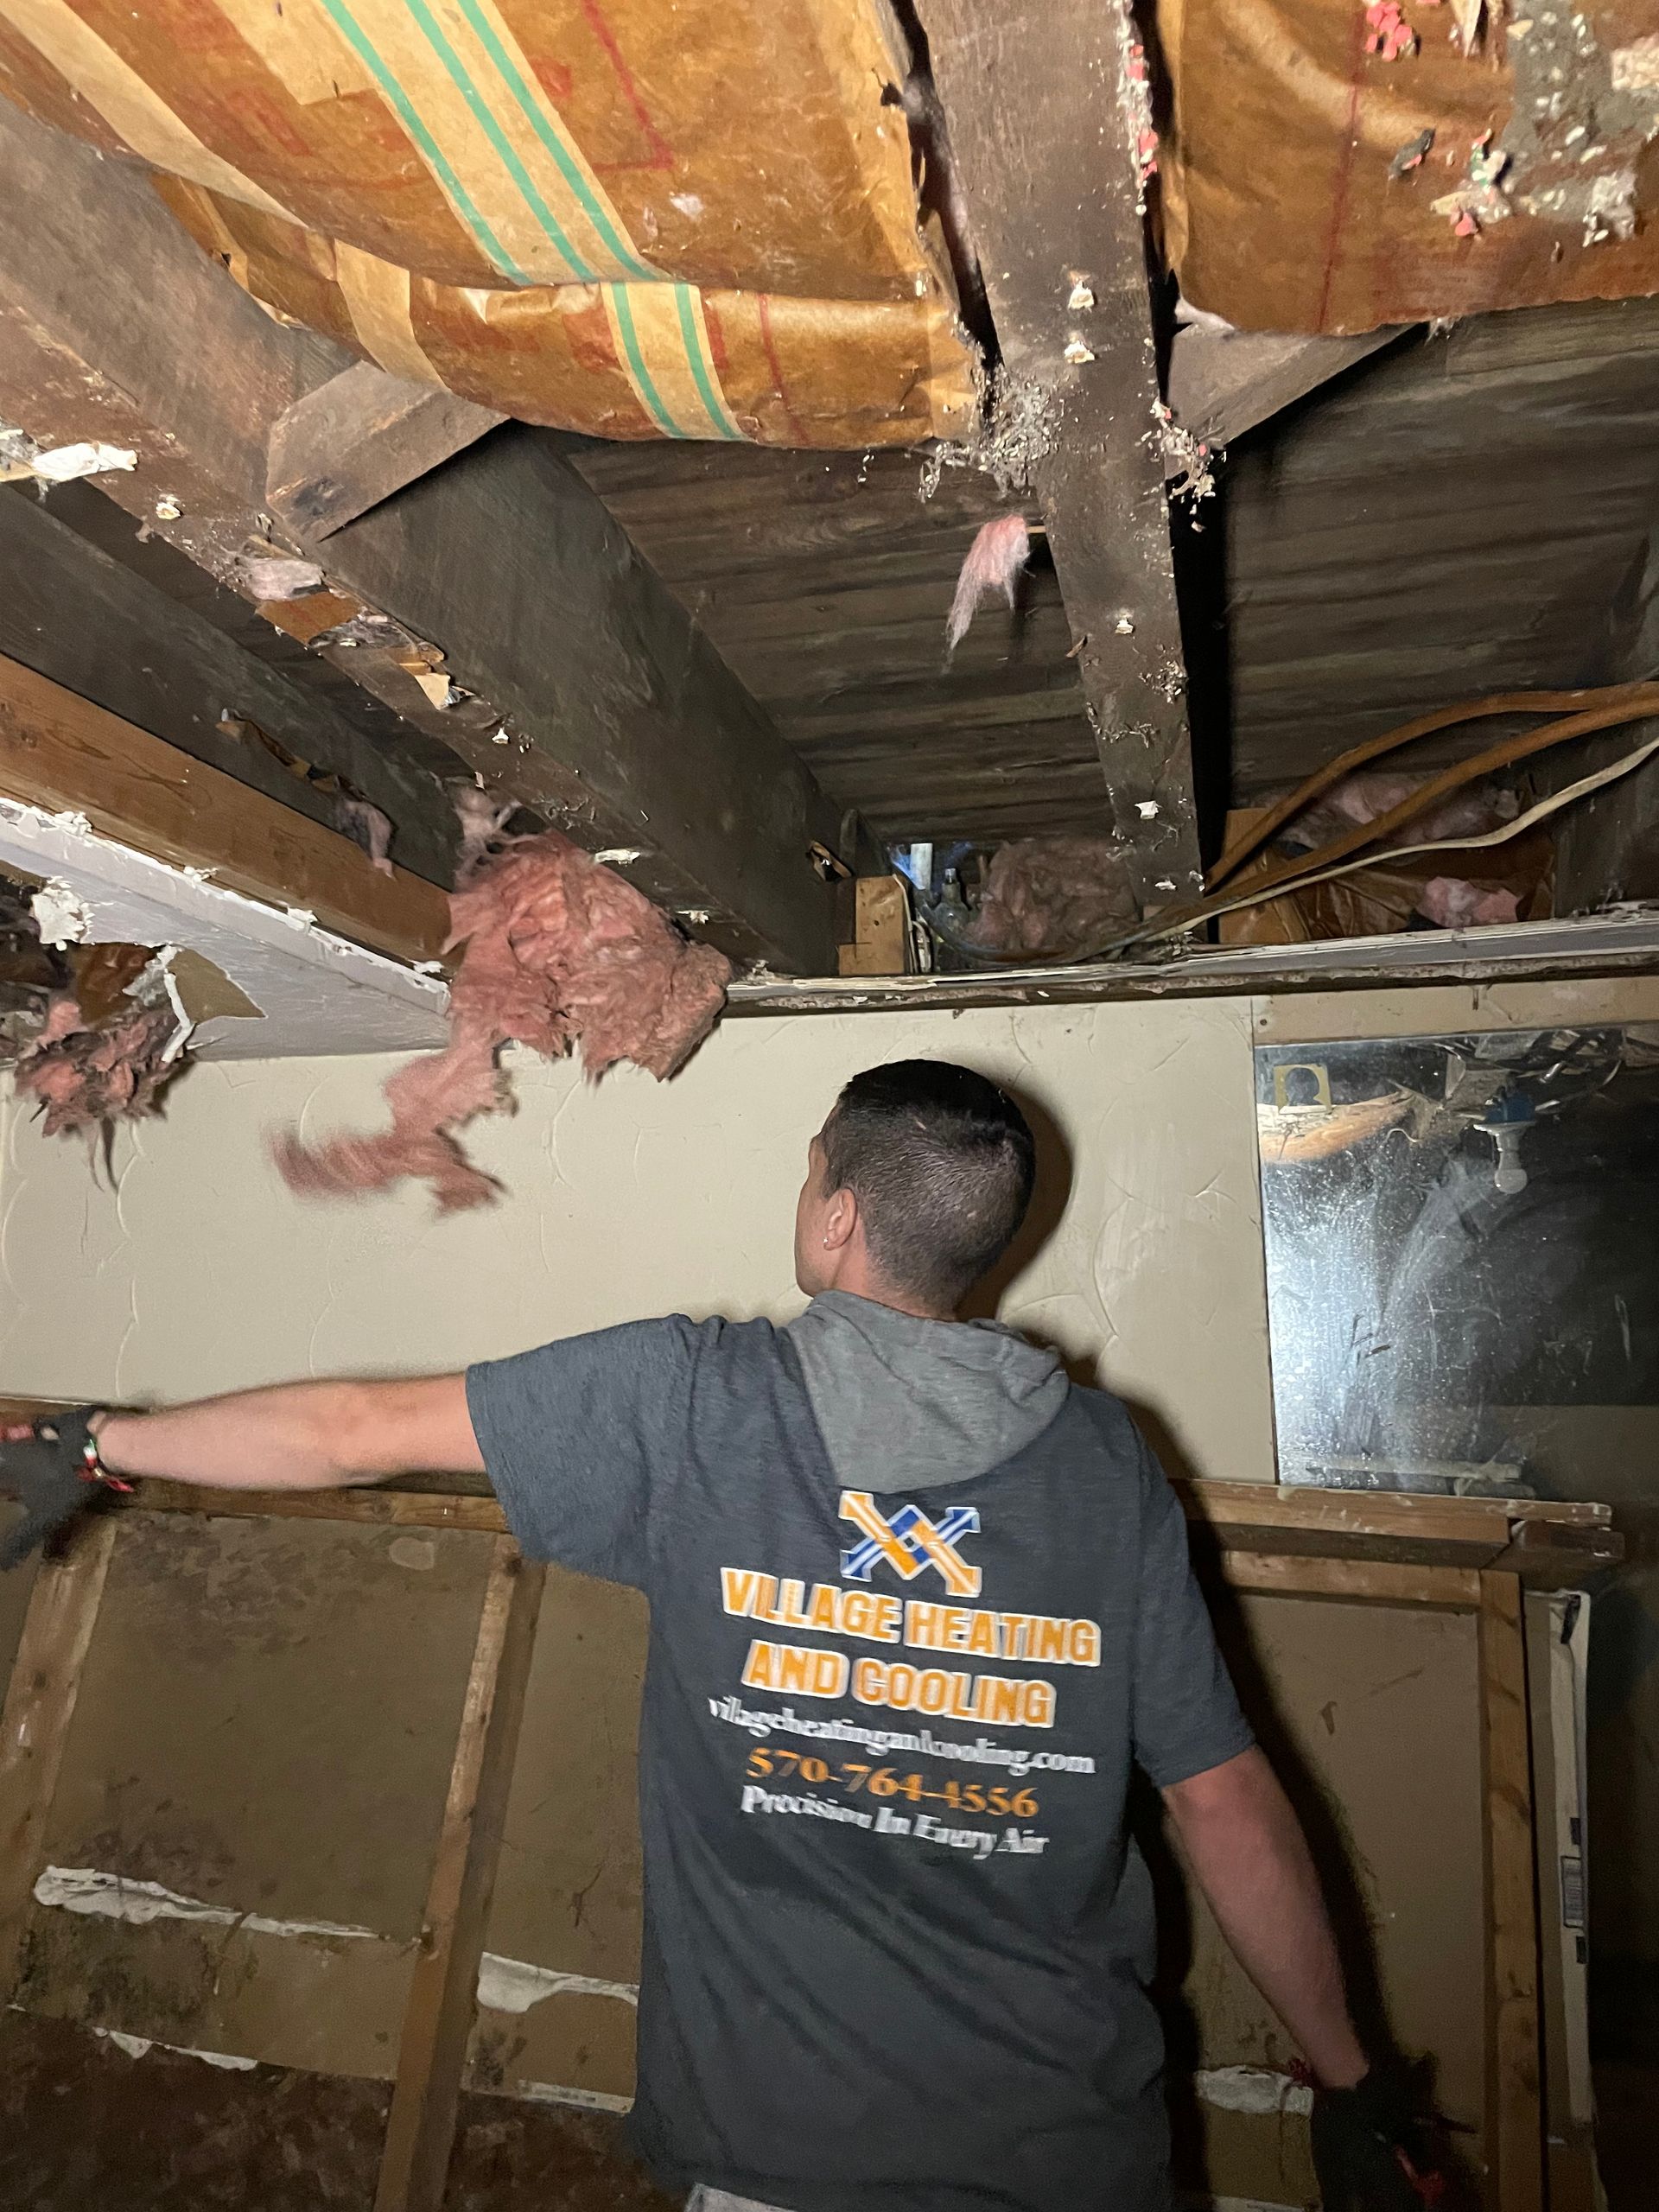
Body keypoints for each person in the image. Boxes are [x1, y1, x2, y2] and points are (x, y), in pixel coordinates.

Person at [2, 1060, 1433, 2211]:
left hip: (785, 2166)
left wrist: (95, 1445)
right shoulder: (1106, 1465)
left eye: (810, 1172)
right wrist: (1352, 2082)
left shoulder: (695, 1403)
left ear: (836, 1217)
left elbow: (354, 1431)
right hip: (1073, 2160)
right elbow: (1224, 1799)